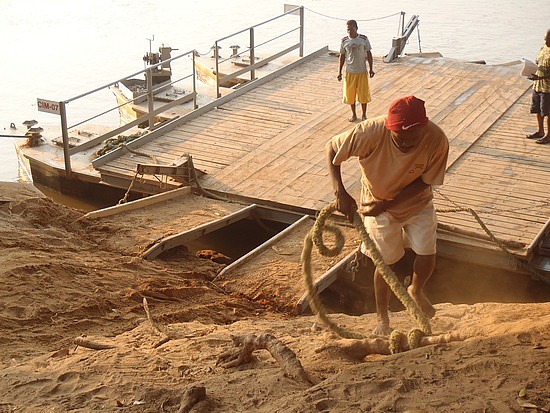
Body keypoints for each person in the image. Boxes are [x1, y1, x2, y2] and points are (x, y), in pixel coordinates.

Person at [326, 96, 449, 336]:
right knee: (385, 263)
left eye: (411, 139)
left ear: (423, 128)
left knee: (427, 252)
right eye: (399, 138)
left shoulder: (436, 139)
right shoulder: (369, 131)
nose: (405, 144)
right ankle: (382, 317)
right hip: (375, 201)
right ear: (389, 128)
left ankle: (416, 289)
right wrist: (339, 191)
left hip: (417, 203)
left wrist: (389, 203)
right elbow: (332, 148)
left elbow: (426, 182)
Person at [337, 20, 375, 122]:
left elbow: (369, 54)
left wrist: (371, 68)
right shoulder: (344, 41)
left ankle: (364, 115)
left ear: (356, 28)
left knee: (363, 94)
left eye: (351, 29)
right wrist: (339, 72)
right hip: (349, 72)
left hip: (362, 71)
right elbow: (342, 56)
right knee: (350, 95)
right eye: (348, 29)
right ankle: (354, 114)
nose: (349, 31)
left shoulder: (363, 39)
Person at [526, 29, 550, 144]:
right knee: (537, 110)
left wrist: (540, 78)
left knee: (548, 112)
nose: (546, 42)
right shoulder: (543, 48)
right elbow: (538, 61)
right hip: (537, 85)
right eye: (545, 39)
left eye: (548, 40)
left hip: (548, 88)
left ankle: (549, 135)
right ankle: (540, 131)